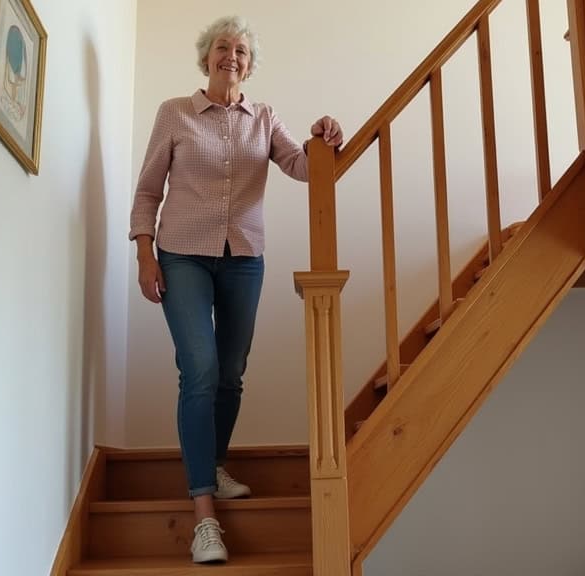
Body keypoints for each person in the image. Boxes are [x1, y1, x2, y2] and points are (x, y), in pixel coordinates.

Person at [128, 15, 343, 564]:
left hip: (244, 256)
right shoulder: (174, 113)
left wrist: (324, 138)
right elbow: (149, 188)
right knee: (198, 369)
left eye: (241, 50)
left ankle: (214, 466)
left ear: (250, 64)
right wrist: (144, 254)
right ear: (206, 58)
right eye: (223, 47)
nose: (232, 56)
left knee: (230, 373)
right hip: (181, 256)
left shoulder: (264, 117)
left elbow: (298, 166)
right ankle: (204, 517)